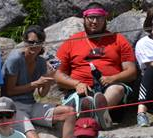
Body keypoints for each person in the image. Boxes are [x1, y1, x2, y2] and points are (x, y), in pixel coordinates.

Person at [3, 25, 78, 138]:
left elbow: (42, 94)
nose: (33, 46)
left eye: (37, 43)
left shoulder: (42, 62)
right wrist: (34, 84)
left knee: (69, 113)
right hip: (14, 106)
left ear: (42, 43)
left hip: (31, 104)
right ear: (24, 41)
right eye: (30, 42)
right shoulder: (15, 59)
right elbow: (9, 90)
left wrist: (49, 78)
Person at [54, 1, 137, 130]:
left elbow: (131, 72)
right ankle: (98, 118)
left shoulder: (118, 40)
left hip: (109, 88)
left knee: (117, 89)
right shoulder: (71, 42)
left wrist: (113, 78)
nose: (94, 21)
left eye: (99, 18)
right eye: (90, 18)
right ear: (84, 19)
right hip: (81, 89)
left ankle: (95, 116)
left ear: (105, 19)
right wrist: (76, 84)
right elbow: (58, 76)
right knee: (85, 101)